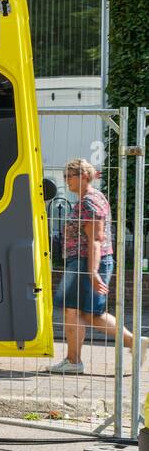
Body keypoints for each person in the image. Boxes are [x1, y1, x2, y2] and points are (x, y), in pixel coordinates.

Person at [50, 158, 147, 374]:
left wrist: (92, 271)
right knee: (78, 311)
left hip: (87, 263)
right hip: (84, 262)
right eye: (65, 176)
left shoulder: (89, 202)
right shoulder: (91, 198)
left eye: (69, 176)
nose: (67, 181)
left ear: (84, 176)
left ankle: (78, 360)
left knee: (85, 313)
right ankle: (75, 360)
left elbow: (95, 238)